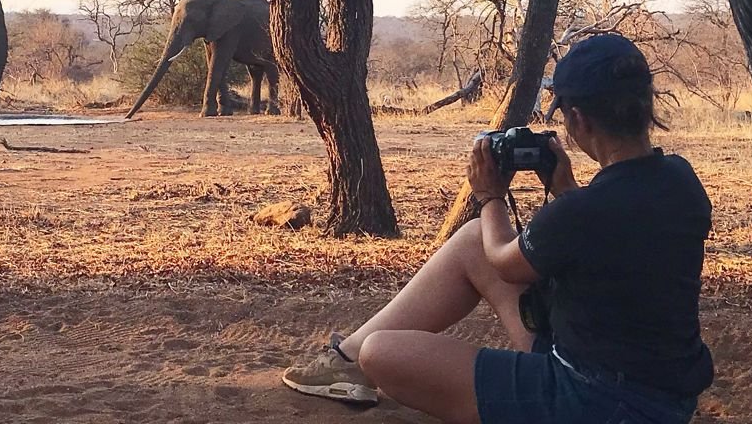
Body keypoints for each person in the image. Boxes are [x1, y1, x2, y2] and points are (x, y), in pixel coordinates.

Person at [279, 33, 714, 424]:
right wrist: (564, 189)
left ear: (579, 120)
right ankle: (344, 361)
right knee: (475, 240)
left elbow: (506, 264)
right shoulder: (681, 179)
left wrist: (489, 196)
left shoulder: (583, 211)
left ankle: (357, 356)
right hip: (664, 397)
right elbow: (616, 240)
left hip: (591, 399)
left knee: (382, 352)